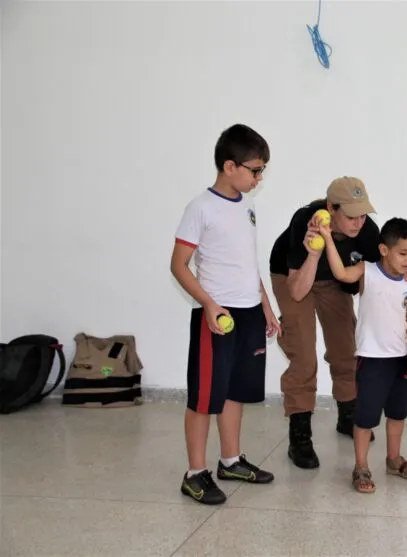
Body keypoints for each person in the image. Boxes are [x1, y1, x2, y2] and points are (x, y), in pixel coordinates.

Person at [268, 177, 407, 469]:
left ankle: (348, 415)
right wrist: (315, 249)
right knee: (303, 354)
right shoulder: (306, 221)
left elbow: (380, 272)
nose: (358, 222)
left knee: (346, 348)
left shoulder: (368, 232)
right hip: (295, 276)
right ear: (330, 208)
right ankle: (300, 435)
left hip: (335, 280)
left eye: (363, 214)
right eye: (350, 216)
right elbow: (298, 291)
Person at [170, 123, 282, 505]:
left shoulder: (248, 206)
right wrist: (209, 304)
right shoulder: (200, 208)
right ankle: (194, 473)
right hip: (216, 318)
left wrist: (266, 305)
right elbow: (179, 265)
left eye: (262, 169)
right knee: (204, 397)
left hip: (249, 313)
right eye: (255, 169)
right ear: (229, 166)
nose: (259, 177)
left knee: (235, 391)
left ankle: (230, 460)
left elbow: (247, 263)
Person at [318, 215, 407, 493]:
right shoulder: (367, 270)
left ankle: (393, 459)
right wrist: (328, 238)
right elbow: (341, 274)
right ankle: (361, 466)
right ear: (384, 250)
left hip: (398, 359)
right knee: (365, 418)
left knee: (398, 415)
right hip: (371, 358)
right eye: (403, 253)